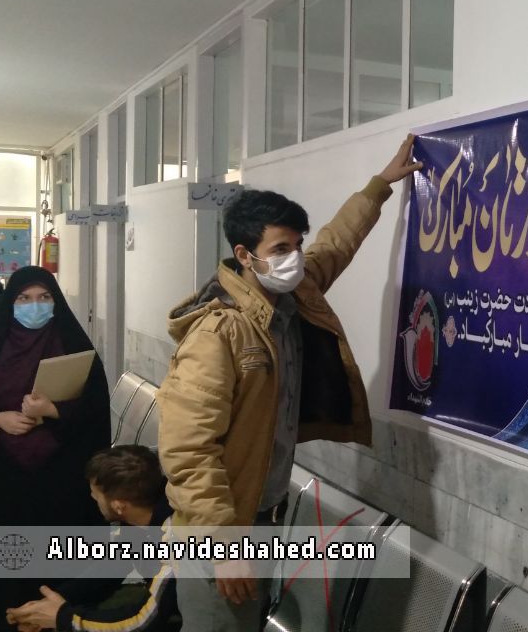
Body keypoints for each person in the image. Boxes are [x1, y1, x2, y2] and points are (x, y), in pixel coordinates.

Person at [155, 135, 422, 631]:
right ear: (245, 255)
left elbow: (334, 245)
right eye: (280, 249)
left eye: (296, 246)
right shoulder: (219, 334)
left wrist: (380, 186)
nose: (294, 258)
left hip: (262, 519)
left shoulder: (291, 297)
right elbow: (187, 451)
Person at [0, 266, 110, 630]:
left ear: (56, 301)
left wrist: (53, 411)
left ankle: (55, 617)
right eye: (24, 298)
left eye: (44, 297)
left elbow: (96, 410)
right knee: (4, 564)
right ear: (10, 302)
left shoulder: (73, 344)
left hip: (59, 477)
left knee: (55, 559)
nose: (34, 305)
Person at [6, 445, 178, 632]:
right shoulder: (139, 518)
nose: (91, 496)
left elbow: (144, 621)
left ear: (119, 506)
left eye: (97, 496)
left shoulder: (175, 537)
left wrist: (62, 618)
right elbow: (110, 570)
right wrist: (45, 606)